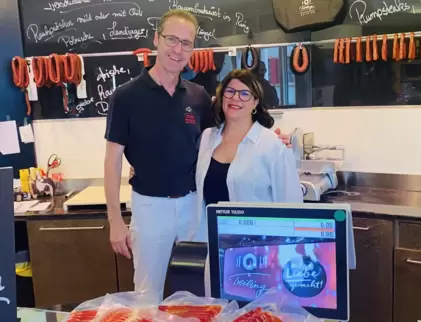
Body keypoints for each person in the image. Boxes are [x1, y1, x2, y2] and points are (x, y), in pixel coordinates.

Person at [104, 9, 291, 301]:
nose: (178, 50)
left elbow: (226, 130)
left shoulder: (198, 96)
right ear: (156, 39)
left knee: (201, 289)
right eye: (171, 39)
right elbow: (112, 159)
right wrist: (115, 220)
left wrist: (268, 137)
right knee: (146, 292)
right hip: (150, 208)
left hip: (194, 207)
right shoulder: (125, 97)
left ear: (193, 48)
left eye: (187, 43)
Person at [195, 69, 303, 297]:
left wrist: (285, 256)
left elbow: (292, 205)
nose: (236, 98)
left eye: (245, 94)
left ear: (255, 102)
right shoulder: (207, 138)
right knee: (218, 312)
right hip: (216, 250)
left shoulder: (271, 145)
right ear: (221, 97)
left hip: (261, 254)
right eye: (230, 91)